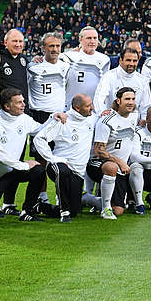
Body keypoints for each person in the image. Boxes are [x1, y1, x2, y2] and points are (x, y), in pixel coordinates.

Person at [0, 87, 49, 222]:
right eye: (19, 102)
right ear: (7, 106)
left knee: (38, 170)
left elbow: (42, 130)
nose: (23, 105)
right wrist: (23, 165)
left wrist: (54, 119)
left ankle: (28, 211)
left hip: (12, 171)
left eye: (23, 101)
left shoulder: (24, 119)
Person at [33, 94, 98, 222]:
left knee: (74, 211)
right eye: (88, 105)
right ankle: (64, 212)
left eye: (91, 104)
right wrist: (52, 158)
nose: (92, 108)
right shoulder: (62, 120)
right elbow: (39, 139)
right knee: (62, 171)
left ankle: (40, 207)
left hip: (77, 172)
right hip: (59, 165)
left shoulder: (92, 119)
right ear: (77, 108)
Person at [88, 86, 142, 219]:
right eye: (127, 99)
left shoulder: (134, 117)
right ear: (118, 101)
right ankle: (104, 209)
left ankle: (93, 200)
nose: (130, 102)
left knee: (118, 210)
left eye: (133, 99)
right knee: (111, 167)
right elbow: (99, 150)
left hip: (121, 169)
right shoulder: (106, 121)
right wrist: (120, 162)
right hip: (99, 164)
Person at [94, 47, 151, 116]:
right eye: (128, 60)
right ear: (120, 60)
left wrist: (143, 119)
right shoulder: (109, 76)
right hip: (112, 121)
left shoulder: (142, 80)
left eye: (134, 61)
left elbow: (146, 105)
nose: (131, 64)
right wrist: (102, 112)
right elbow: (99, 98)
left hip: (134, 123)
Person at [27, 32, 70, 119]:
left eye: (58, 46)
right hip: (39, 114)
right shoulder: (32, 67)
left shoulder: (66, 66)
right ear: (43, 48)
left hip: (60, 114)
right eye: (51, 46)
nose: (55, 49)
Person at [63, 26, 110, 104]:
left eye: (95, 38)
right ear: (80, 40)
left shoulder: (105, 60)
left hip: (94, 109)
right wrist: (37, 59)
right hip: (71, 108)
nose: (92, 41)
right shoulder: (69, 57)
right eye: (89, 38)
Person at [0, 29, 31, 110]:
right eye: (15, 41)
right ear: (5, 42)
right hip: (7, 109)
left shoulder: (23, 59)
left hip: (23, 107)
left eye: (20, 41)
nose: (18, 44)